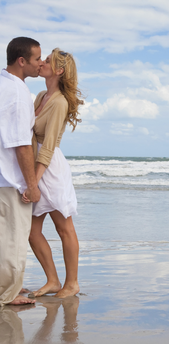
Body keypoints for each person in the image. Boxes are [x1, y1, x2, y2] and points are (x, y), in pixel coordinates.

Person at [24, 48, 83, 299]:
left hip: (49, 169)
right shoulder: (40, 96)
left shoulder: (59, 101)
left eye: (47, 61)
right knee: (31, 230)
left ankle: (72, 284)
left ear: (58, 70)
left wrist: (33, 181)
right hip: (34, 165)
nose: (42, 63)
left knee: (64, 228)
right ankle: (53, 280)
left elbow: (48, 146)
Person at [0, 37, 43, 306]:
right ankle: (8, 293)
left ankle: (8, 285)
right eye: (37, 59)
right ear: (22, 61)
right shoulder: (17, 93)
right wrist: (31, 184)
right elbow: (21, 144)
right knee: (13, 239)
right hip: (9, 177)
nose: (41, 64)